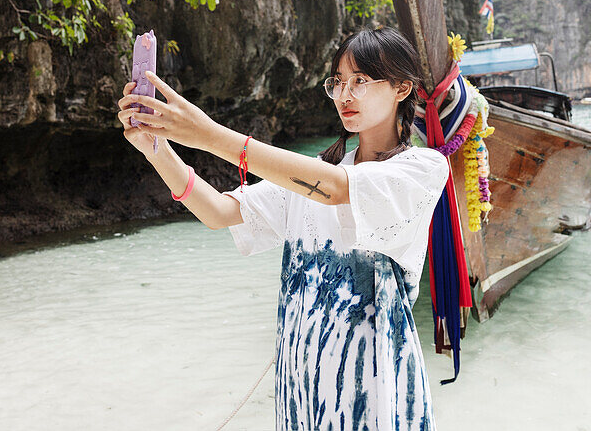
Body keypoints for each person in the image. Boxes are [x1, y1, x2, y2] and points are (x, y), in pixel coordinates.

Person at [118, 28, 449, 430]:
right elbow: (218, 212)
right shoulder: (313, 177)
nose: (345, 95)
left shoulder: (421, 170)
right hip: (301, 377)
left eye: (360, 81)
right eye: (338, 82)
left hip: (371, 382)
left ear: (402, 88)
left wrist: (208, 135)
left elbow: (334, 190)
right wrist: (156, 149)